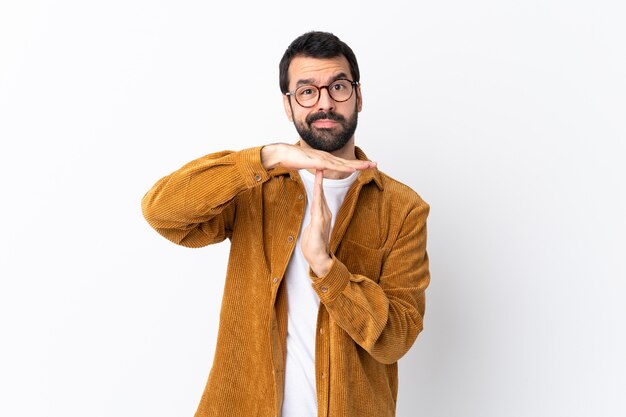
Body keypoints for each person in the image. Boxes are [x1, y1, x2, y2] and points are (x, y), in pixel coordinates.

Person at [141, 31, 430, 417]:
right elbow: (162, 210)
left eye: (338, 87)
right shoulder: (258, 188)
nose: (324, 103)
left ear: (359, 96)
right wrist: (267, 157)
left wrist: (327, 268)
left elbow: (397, 337)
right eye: (307, 91)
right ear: (288, 105)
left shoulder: (402, 207)